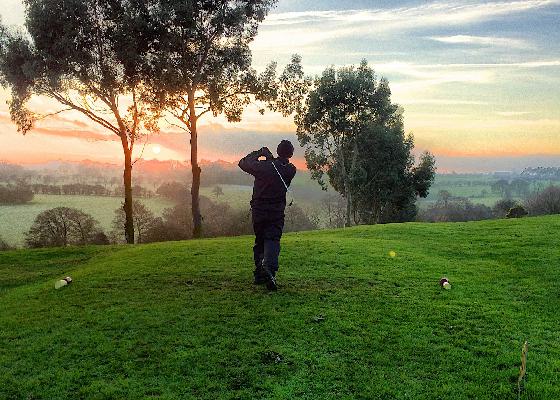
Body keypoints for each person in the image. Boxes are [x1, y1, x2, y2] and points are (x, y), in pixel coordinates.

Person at [238, 140, 297, 290]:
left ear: (277, 151)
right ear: (290, 154)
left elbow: (243, 163)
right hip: (276, 211)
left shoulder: (264, 167)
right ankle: (269, 269)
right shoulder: (291, 169)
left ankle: (260, 273)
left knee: (260, 240)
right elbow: (278, 167)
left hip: (259, 210)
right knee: (272, 239)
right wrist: (271, 159)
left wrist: (260, 153)